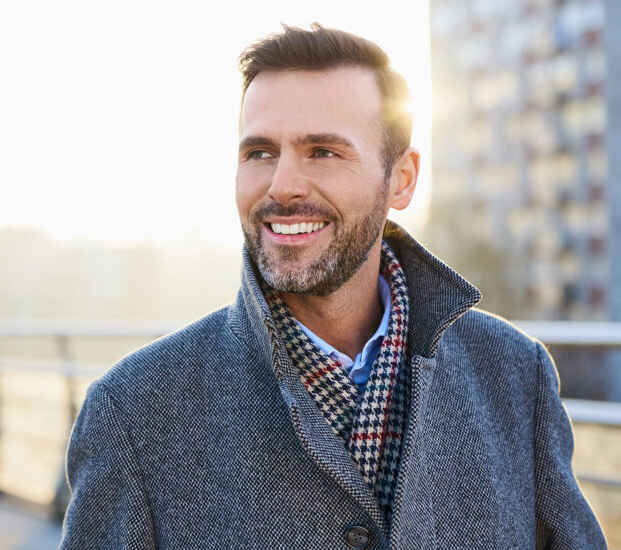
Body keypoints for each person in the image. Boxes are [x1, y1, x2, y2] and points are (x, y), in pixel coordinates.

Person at [60, 24, 606, 549]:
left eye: (323, 151)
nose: (282, 186)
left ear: (402, 179)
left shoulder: (515, 374)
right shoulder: (132, 413)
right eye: (260, 152)